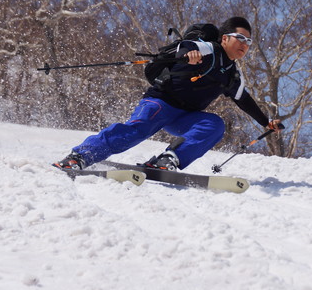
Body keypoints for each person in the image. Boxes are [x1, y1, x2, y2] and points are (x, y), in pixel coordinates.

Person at [52, 16, 282, 173]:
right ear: (225, 38)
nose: (245, 44)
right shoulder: (210, 49)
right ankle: (81, 156)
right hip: (160, 103)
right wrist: (190, 53)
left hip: (185, 117)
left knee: (214, 125)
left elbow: (244, 100)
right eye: (240, 38)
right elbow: (187, 45)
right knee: (136, 131)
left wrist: (266, 122)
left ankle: (169, 159)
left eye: (249, 41)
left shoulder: (232, 74)